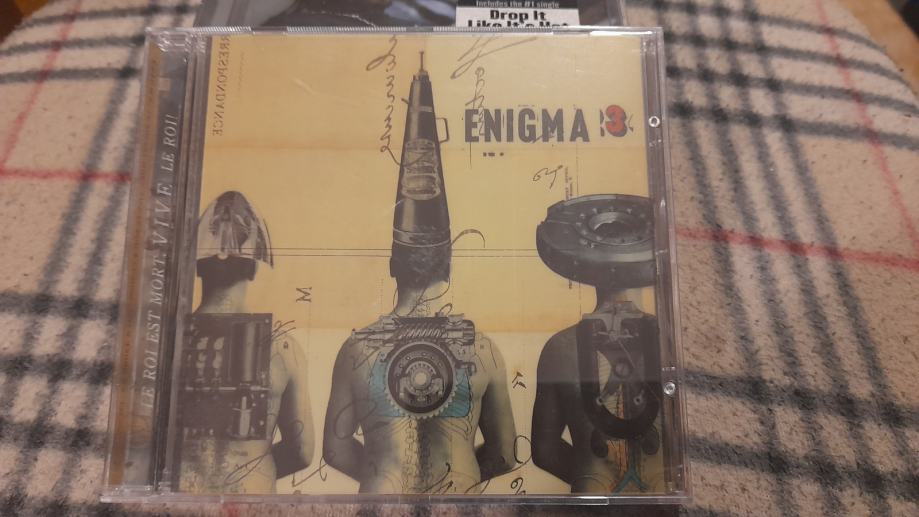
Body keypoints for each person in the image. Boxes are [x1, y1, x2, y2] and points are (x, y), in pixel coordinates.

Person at [322, 60, 516, 494]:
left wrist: (381, 473)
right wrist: (461, 475)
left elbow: (336, 451)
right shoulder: (483, 349)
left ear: (393, 265)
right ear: (448, 264)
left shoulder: (356, 348)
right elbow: (505, 454)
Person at [177, 191, 314, 494]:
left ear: (198, 267)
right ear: (253, 268)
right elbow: (302, 453)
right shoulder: (283, 348)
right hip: (252, 498)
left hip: (182, 498)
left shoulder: (166, 345)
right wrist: (253, 469)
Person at [531, 194, 664, 493]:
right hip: (662, 496)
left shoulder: (559, 347)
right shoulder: (670, 339)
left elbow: (544, 451)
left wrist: (587, 473)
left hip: (593, 494)